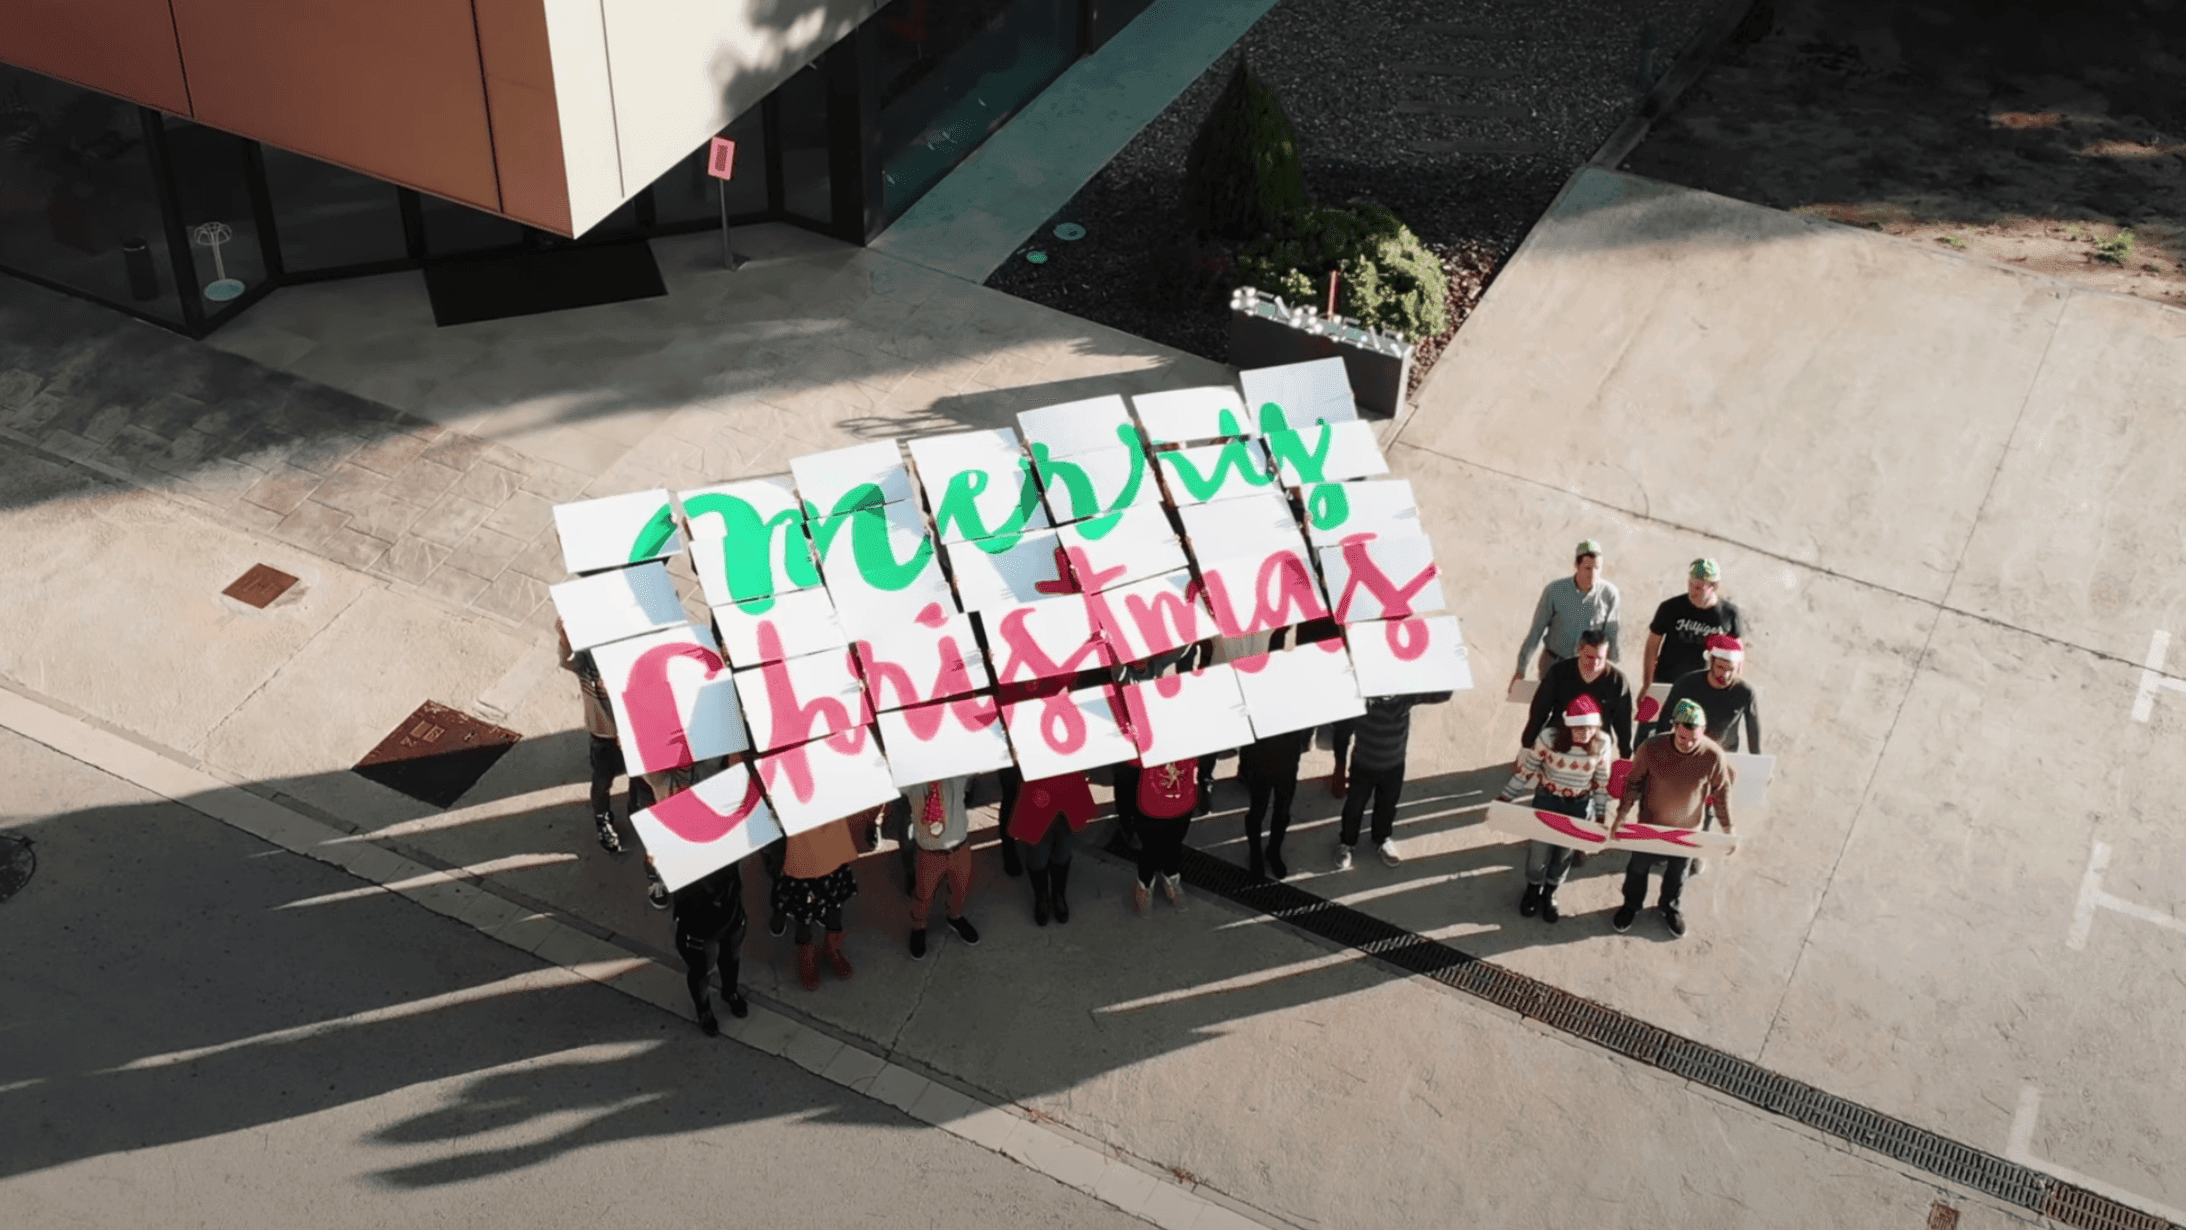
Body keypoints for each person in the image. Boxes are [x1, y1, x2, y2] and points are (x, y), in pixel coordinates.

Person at [1609, 698, 1735, 938]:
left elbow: (1721, 792)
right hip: (1649, 825)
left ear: (1703, 731)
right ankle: (1631, 905)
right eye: (1682, 738)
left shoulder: (1713, 756)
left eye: (1694, 739)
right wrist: (1622, 815)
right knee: (1637, 869)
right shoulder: (1651, 748)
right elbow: (1633, 782)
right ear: (1673, 727)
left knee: (1677, 875)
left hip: (1686, 830)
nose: (1687, 744)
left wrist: (1728, 829)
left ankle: (1669, 907)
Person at [1494, 695, 1614, 924]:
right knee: (1538, 852)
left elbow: (1601, 781)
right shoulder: (1548, 738)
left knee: (1564, 853)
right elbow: (1528, 769)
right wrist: (1506, 797)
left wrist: (1600, 814)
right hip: (1547, 800)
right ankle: (1533, 888)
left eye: (1590, 728)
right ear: (1567, 725)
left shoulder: (1603, 743)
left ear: (1597, 726)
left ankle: (1550, 891)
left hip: (1578, 806)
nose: (1585, 733)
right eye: (1579, 728)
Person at [556, 618, 655, 856]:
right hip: (603, 736)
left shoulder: (634, 660)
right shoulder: (586, 662)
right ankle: (602, 818)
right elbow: (567, 661)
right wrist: (565, 637)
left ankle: (635, 807)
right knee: (602, 780)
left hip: (634, 734)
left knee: (640, 777)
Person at [1332, 688, 1454, 870]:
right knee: (1354, 807)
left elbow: (1442, 694)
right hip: (1363, 766)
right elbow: (1342, 733)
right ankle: (1347, 842)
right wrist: (1339, 768)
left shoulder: (1405, 696)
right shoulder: (1360, 700)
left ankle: (1381, 839)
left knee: (1387, 806)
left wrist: (1452, 664)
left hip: (1394, 767)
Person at [773, 806, 876, 990]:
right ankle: (806, 958)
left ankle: (832, 950)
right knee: (803, 917)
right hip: (803, 857)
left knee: (835, 908)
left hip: (833, 849)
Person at [1639, 558, 1743, 733]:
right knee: (1649, 734)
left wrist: (1730, 688)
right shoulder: (1670, 607)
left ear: (1713, 586)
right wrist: (1647, 684)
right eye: (1690, 584)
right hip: (1667, 682)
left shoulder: (1729, 614)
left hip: (1706, 687)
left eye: (1697, 588)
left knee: (1696, 738)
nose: (1691, 591)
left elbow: (1738, 653)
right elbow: (1652, 645)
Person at [1512, 539, 1621, 687]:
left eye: (1597, 568)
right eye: (1588, 568)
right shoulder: (1555, 591)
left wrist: (1609, 673)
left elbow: (1611, 637)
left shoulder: (1609, 595)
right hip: (1553, 663)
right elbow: (1536, 630)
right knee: (1548, 707)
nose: (1593, 574)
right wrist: (1521, 669)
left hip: (1587, 668)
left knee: (1579, 709)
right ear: (1577, 565)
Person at [1521, 630, 1635, 759]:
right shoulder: (1559, 672)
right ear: (1579, 651)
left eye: (1600, 658)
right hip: (1558, 743)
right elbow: (1539, 710)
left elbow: (1623, 722)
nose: (1595, 664)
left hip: (1596, 749)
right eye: (1590, 657)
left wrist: (1625, 755)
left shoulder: (1617, 680)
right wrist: (1527, 744)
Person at [904, 776, 980, 959]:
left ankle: (955, 917)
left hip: (959, 848)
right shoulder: (911, 781)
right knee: (923, 894)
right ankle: (918, 926)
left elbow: (982, 760)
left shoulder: (956, 776)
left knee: (960, 888)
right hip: (929, 853)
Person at [1008, 770, 1097, 925]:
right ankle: (1042, 898)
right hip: (1038, 790)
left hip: (1069, 787)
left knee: (1062, 854)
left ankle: (1058, 895)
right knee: (1037, 858)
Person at [672, 861, 750, 1036]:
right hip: (698, 926)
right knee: (701, 969)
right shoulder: (678, 853)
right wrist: (654, 866)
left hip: (732, 915)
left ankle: (730, 992)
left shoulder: (725, 842)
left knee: (731, 956)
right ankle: (703, 1010)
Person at [1661, 635, 1761, 754]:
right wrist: (1661, 752)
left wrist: (1757, 761)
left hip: (1724, 754)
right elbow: (1665, 720)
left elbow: (1753, 731)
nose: (1725, 675)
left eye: (1731, 670)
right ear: (1711, 662)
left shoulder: (1745, 692)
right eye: (1720, 667)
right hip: (1688, 750)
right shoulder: (1686, 684)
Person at [1240, 726, 1308, 880]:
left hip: (1288, 759)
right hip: (1261, 760)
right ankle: (1255, 853)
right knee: (1258, 810)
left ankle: (1274, 850)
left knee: (1283, 810)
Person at [1133, 756, 1199, 915]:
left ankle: (1171, 878)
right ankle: (1145, 885)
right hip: (1152, 805)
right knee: (1150, 850)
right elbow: (1131, 760)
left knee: (1174, 846)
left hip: (1184, 802)